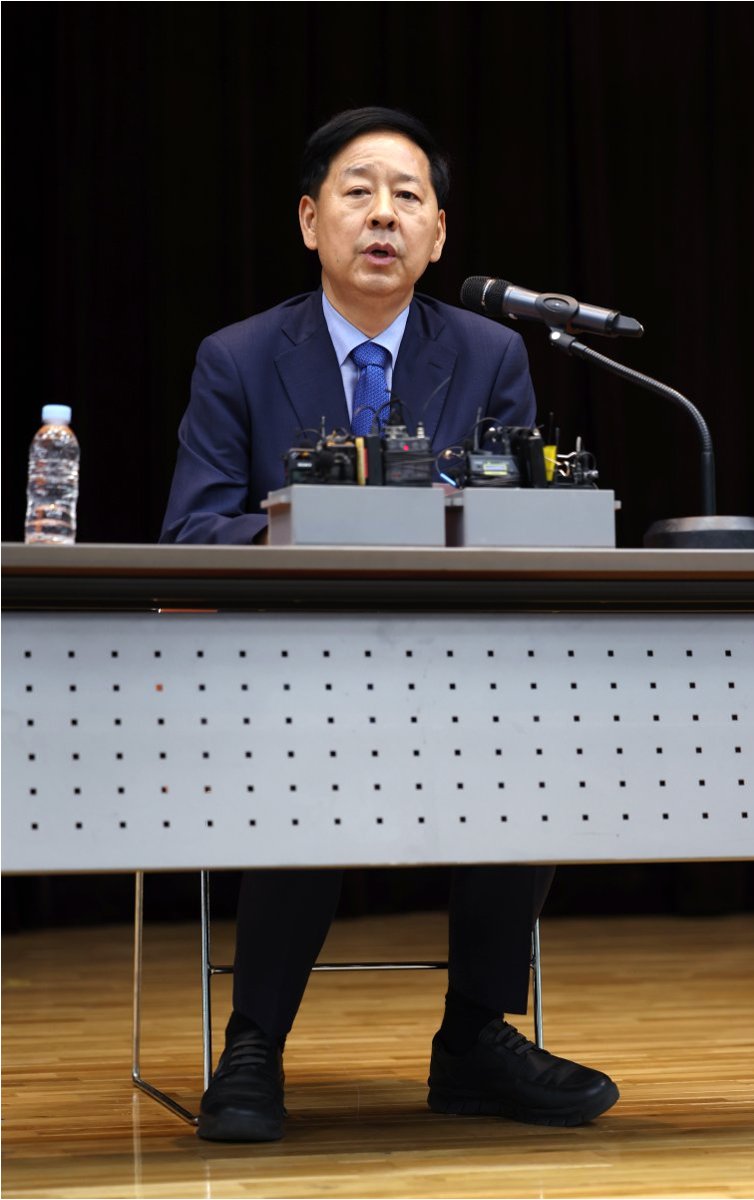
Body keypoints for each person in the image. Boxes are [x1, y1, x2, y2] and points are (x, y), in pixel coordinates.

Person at [161, 107, 620, 1142]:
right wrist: (319, 524)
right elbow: (193, 530)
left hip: (452, 672)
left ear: (438, 234)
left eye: (408, 197)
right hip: (284, 675)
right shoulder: (237, 358)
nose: (383, 215)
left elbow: (511, 521)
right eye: (358, 192)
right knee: (313, 739)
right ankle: (253, 1042)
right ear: (309, 220)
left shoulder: (490, 352)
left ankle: (475, 1038)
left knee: (536, 737)